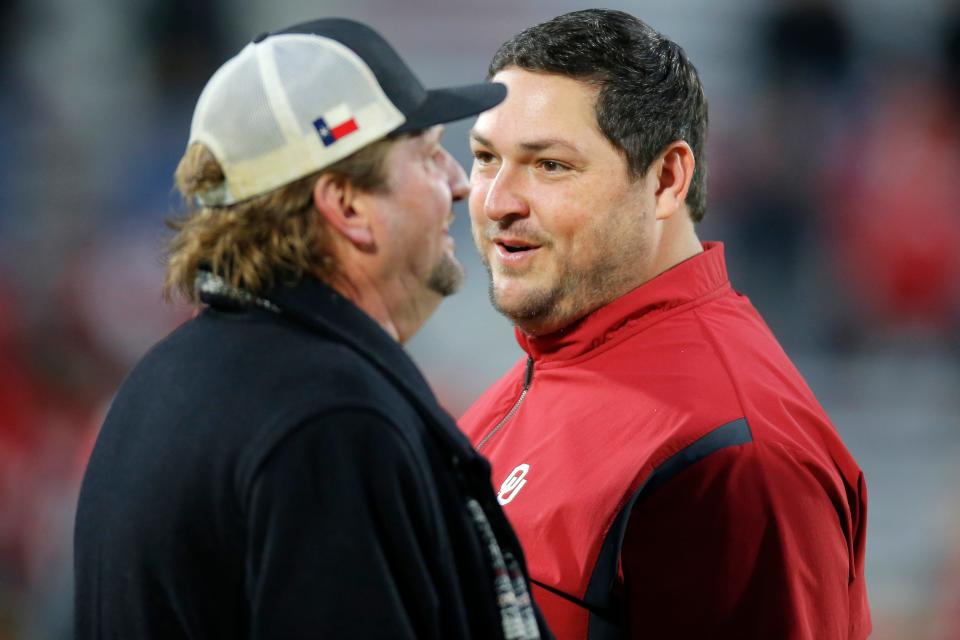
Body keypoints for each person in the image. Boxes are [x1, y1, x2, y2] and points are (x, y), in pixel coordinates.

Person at [74, 18, 549, 640]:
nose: (460, 184)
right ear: (346, 205)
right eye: (428, 155)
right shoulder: (330, 420)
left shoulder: (167, 377)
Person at [459, 9, 870, 639]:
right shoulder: (546, 365)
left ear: (666, 179)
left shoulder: (734, 453)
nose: (497, 201)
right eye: (487, 157)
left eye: (550, 166)